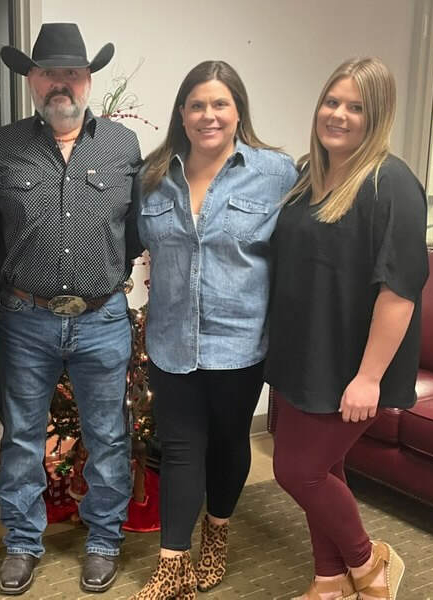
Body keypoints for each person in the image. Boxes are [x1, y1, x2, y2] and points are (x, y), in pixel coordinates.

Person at [0, 22, 142, 596]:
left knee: (109, 436)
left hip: (102, 319)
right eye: (49, 73)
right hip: (25, 319)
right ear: (31, 79)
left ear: (89, 79)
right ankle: (23, 543)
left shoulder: (123, 145)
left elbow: (135, 229)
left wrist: (110, 278)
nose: (60, 84)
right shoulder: (0, 149)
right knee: (22, 437)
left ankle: (103, 541)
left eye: (72, 73)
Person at [131, 60, 297, 599]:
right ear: (182, 112)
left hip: (241, 342)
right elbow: (127, 244)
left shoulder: (275, 173)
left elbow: (298, 253)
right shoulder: (153, 176)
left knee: (228, 443)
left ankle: (217, 535)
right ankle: (172, 566)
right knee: (180, 447)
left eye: (220, 104)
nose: (209, 115)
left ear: (238, 111)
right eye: (198, 105)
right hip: (171, 341)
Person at [266, 57, 428, 600]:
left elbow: (399, 292)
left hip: (352, 364)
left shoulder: (391, 182)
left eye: (355, 107)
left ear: (376, 116)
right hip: (303, 354)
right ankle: (329, 581)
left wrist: (369, 377)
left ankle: (369, 562)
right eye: (331, 102)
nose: (337, 114)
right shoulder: (306, 176)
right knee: (326, 468)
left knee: (298, 472)